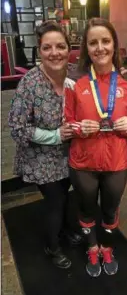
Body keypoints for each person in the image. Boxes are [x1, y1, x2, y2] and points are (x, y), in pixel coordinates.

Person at [64, 17, 127, 277]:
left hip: (116, 162)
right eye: (93, 42)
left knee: (109, 210)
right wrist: (78, 127)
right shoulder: (74, 81)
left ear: (114, 44)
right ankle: (91, 246)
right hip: (83, 162)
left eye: (105, 41)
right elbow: (67, 121)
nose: (100, 48)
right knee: (86, 209)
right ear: (86, 47)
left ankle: (107, 246)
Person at [8, 21, 82, 269]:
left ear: (68, 48)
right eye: (47, 47)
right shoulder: (30, 84)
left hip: (69, 154)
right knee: (56, 201)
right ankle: (52, 245)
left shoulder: (75, 74)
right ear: (39, 51)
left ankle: (66, 229)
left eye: (60, 46)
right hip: (39, 157)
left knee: (66, 195)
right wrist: (55, 135)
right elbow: (17, 128)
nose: (55, 53)